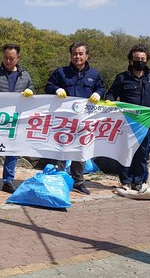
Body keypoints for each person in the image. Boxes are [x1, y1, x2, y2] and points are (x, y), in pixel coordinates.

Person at [45, 42, 105, 195]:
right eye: (74, 54)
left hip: (84, 120)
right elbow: (49, 86)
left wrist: (98, 93)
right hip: (63, 120)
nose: (77, 56)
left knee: (80, 151)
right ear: (70, 55)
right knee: (60, 149)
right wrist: (56, 89)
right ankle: (57, 180)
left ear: (86, 55)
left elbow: (101, 88)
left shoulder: (94, 74)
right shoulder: (61, 72)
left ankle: (78, 182)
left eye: (80, 53)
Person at [0, 44, 35, 196]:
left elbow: (33, 92)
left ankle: (8, 181)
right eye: (5, 58)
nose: (8, 61)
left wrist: (30, 92)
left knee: (13, 151)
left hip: (16, 120)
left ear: (18, 58)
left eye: (11, 58)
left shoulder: (25, 76)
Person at [105, 45, 150, 191]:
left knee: (142, 151)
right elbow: (111, 94)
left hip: (144, 121)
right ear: (131, 60)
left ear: (147, 60)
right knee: (126, 150)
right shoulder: (122, 77)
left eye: (142, 59)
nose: (140, 61)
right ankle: (126, 181)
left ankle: (139, 181)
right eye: (136, 59)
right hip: (126, 121)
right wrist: (110, 102)